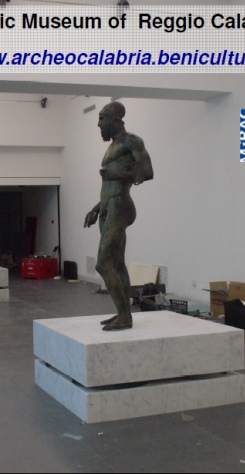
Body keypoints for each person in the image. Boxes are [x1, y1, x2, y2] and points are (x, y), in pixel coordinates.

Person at [84, 102, 153, 331]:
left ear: (115, 119)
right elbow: (109, 187)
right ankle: (124, 315)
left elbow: (147, 172)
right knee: (117, 264)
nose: (99, 124)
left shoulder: (131, 141)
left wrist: (118, 174)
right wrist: (97, 208)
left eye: (102, 118)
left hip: (120, 206)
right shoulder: (113, 146)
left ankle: (124, 316)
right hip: (108, 208)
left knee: (102, 264)